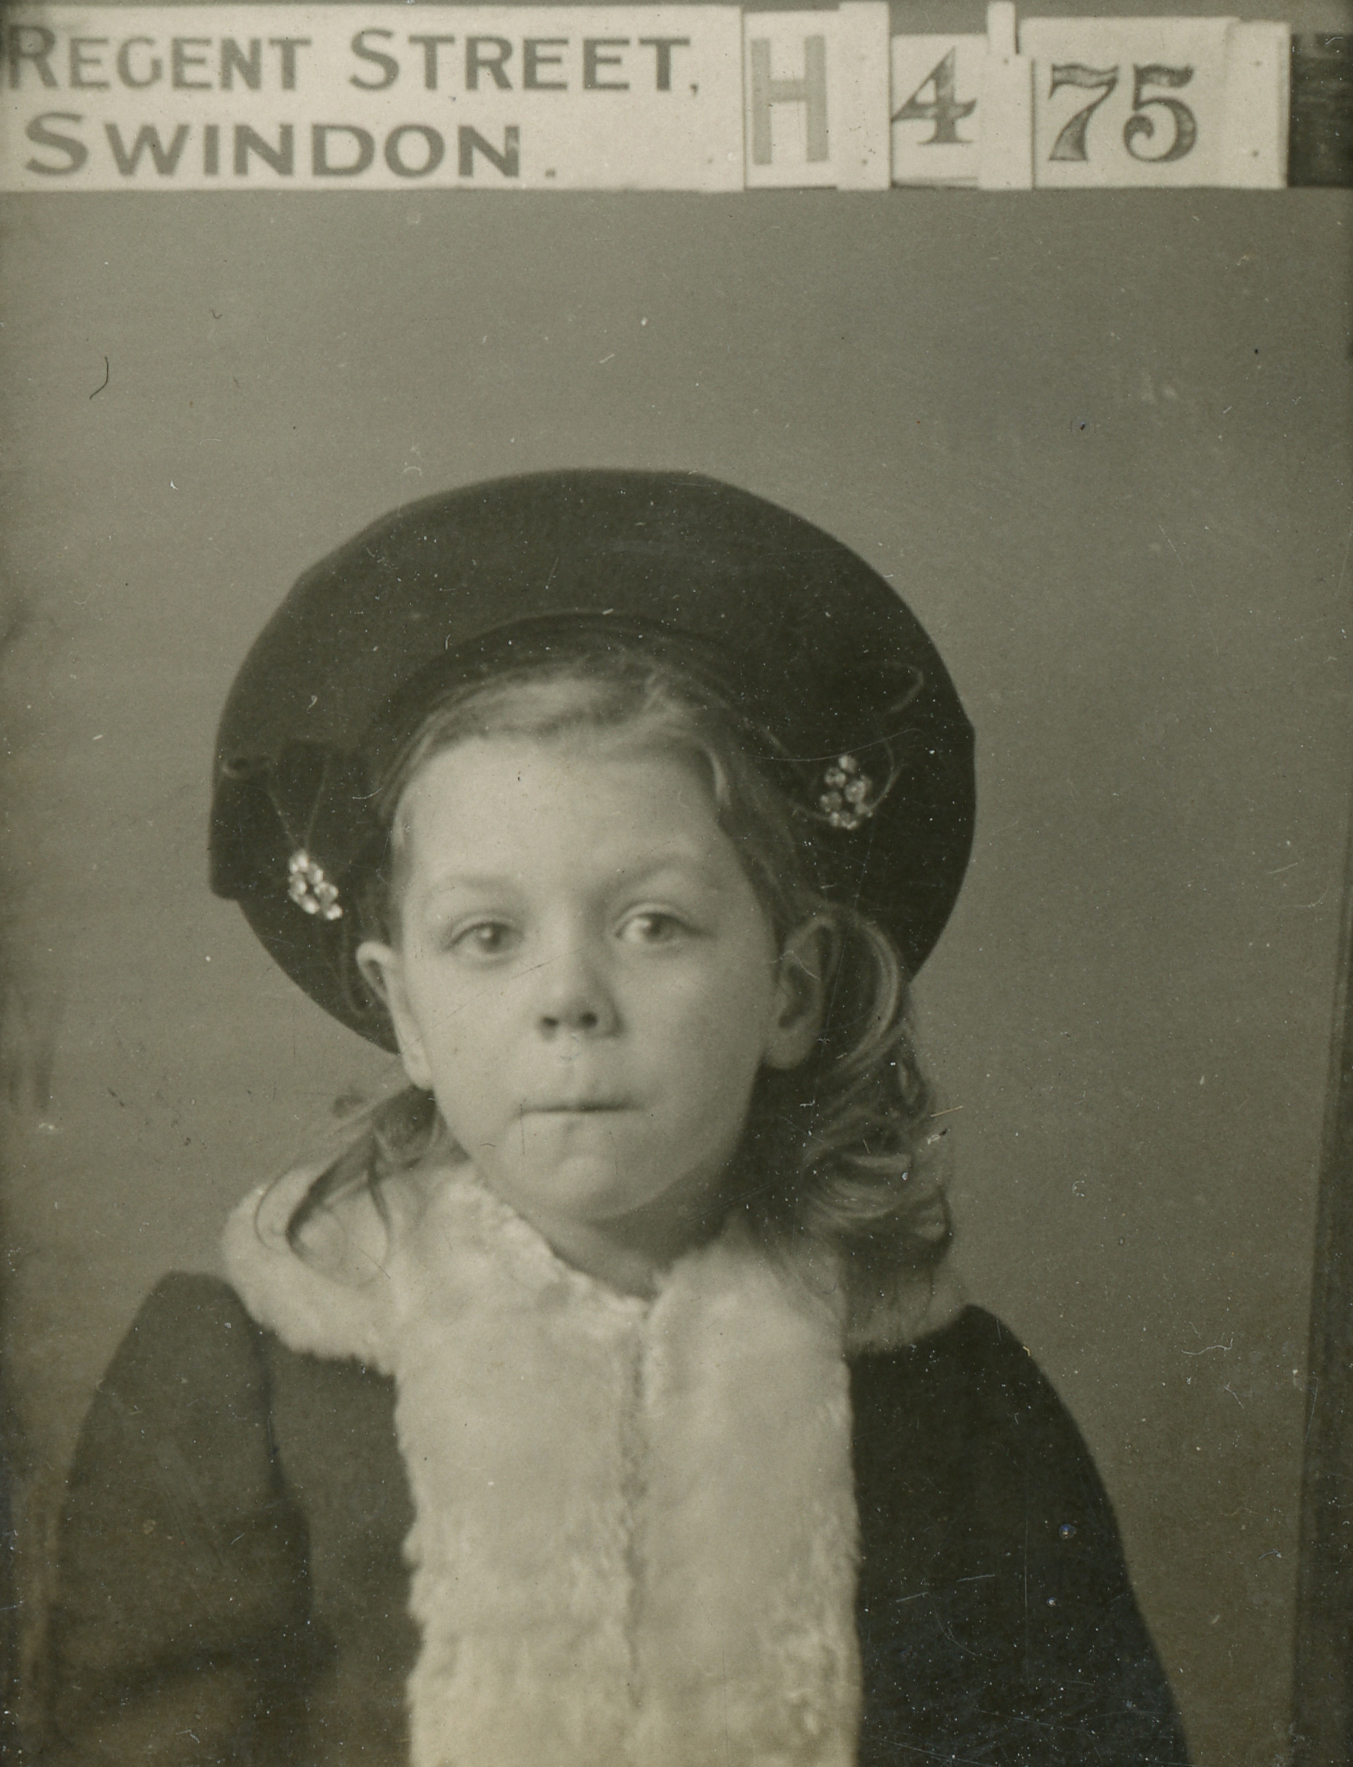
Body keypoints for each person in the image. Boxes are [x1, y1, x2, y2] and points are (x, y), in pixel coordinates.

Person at [45, 471, 1189, 1767]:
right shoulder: (243, 1393)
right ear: (403, 1009)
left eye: (654, 924)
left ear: (790, 991)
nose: (570, 999)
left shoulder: (957, 1408)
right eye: (488, 936)